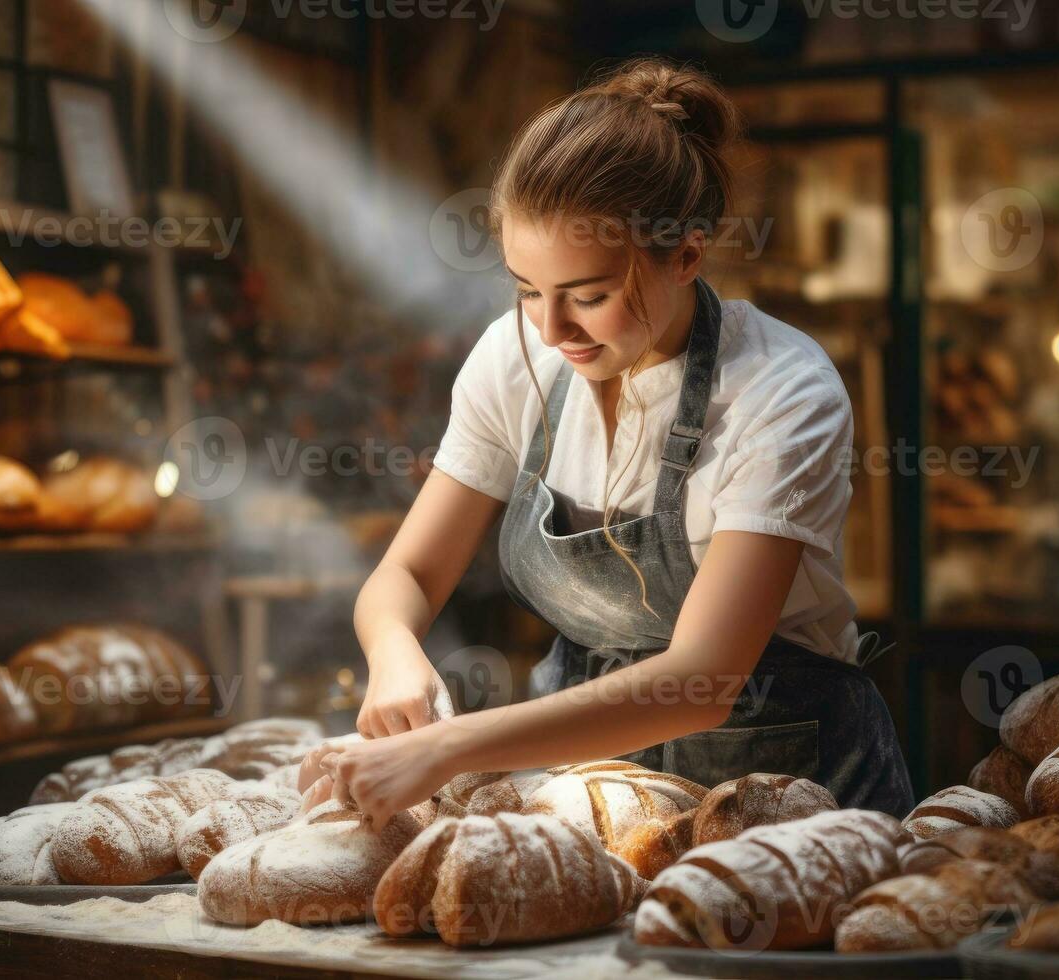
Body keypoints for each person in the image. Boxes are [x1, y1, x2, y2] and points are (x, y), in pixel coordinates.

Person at [300, 59, 913, 827]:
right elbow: (410, 573)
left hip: (786, 795)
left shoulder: (781, 392)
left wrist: (451, 747)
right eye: (527, 290)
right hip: (590, 784)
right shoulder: (513, 357)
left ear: (686, 256)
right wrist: (394, 653)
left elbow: (702, 678)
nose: (553, 331)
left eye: (588, 296)